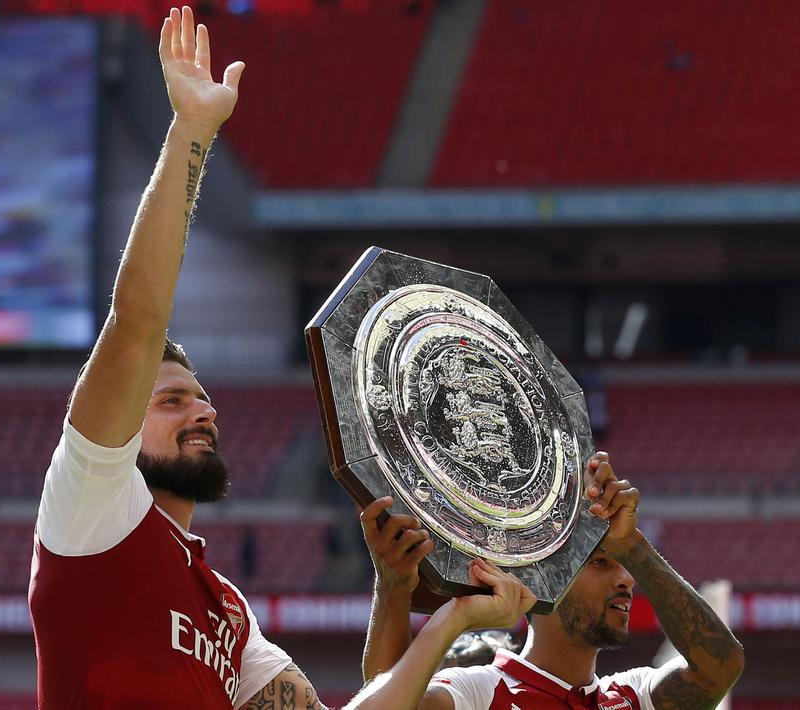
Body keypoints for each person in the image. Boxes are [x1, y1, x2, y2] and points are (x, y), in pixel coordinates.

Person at [28, 9, 537, 708]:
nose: (202, 411)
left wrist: (450, 619)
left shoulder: (227, 612)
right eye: (170, 399)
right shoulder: (89, 504)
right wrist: (191, 129)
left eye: (202, 398)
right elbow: (137, 322)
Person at [357, 452, 746, 709]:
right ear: (544, 580)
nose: (627, 578)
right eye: (600, 563)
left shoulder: (632, 698)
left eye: (624, 564)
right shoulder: (477, 692)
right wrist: (393, 588)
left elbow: (720, 667)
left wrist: (631, 543)